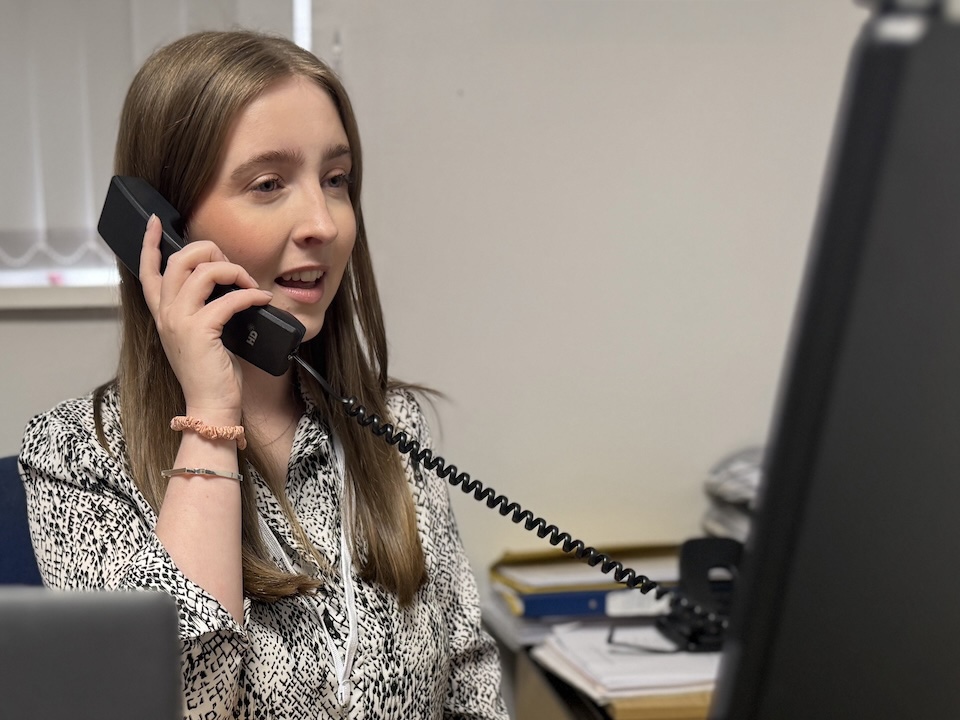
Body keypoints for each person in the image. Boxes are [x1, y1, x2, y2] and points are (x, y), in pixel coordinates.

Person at [19, 29, 508, 720]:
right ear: (164, 229)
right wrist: (211, 417)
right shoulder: (76, 456)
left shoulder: (390, 427)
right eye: (269, 184)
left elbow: (472, 690)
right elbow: (174, 703)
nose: (323, 223)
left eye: (335, 180)